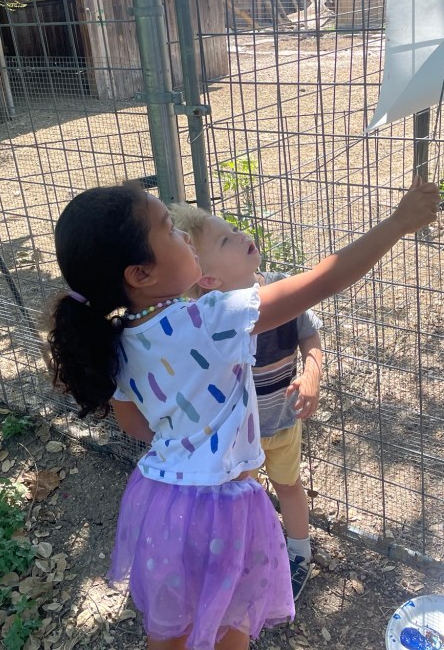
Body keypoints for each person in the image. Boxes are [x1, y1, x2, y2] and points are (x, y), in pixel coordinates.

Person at [46, 179, 438, 650]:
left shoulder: (116, 339)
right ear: (141, 274)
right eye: (170, 229)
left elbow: (135, 425)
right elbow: (323, 280)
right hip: (221, 507)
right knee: (232, 620)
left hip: (159, 503)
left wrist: (191, 433)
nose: (184, 236)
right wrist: (397, 223)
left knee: (172, 627)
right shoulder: (209, 318)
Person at [169, 203, 322, 599]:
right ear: (208, 279)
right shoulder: (206, 318)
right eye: (226, 240)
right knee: (242, 499)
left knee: (289, 486)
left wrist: (312, 373)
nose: (241, 235)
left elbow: (310, 336)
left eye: (234, 230)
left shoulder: (283, 289)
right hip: (237, 438)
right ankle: (249, 557)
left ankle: (300, 553)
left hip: (282, 422)